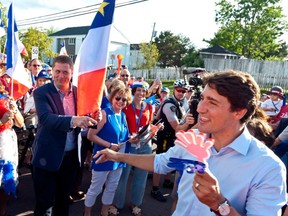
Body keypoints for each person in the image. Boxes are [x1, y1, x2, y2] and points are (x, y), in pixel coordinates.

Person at [95, 70, 286, 215]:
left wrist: (219, 204)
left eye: (212, 102)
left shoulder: (268, 168)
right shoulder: (193, 141)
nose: (200, 108)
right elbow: (160, 163)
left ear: (239, 112)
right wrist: (117, 155)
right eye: (202, 98)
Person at [32, 55, 100, 216]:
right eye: (57, 71)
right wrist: (74, 120)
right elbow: (46, 118)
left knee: (63, 202)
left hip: (70, 158)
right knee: (44, 203)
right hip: (47, 156)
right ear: (52, 71)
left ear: (72, 73)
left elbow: (89, 116)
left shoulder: (79, 93)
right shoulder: (41, 92)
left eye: (65, 72)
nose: (61, 76)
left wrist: (96, 118)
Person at [84, 86, 132, 216]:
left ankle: (104, 212)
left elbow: (123, 136)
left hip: (118, 158)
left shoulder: (122, 115)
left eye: (124, 99)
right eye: (118, 98)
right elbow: (90, 135)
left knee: (112, 187)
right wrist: (109, 145)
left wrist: (132, 138)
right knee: (96, 188)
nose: (121, 101)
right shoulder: (104, 114)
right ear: (112, 98)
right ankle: (87, 213)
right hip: (103, 157)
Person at [112, 81, 153, 216]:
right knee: (123, 175)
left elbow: (149, 125)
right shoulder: (126, 106)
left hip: (145, 145)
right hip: (129, 144)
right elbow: (122, 124)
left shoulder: (149, 107)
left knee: (141, 176)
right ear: (134, 91)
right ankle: (116, 204)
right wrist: (130, 136)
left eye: (144, 91)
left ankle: (136, 203)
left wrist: (155, 130)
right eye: (139, 90)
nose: (141, 93)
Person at [151, 79, 191, 202]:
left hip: (173, 137)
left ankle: (167, 181)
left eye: (184, 91)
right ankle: (155, 188)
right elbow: (177, 127)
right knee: (159, 160)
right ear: (174, 89)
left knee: (172, 159)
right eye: (179, 90)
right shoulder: (170, 105)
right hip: (165, 135)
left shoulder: (181, 102)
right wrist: (189, 123)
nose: (181, 93)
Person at [0, 77, 24, 216]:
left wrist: (15, 111)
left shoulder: (8, 97)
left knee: (6, 180)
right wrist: (1, 122)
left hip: (7, 142)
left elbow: (20, 124)